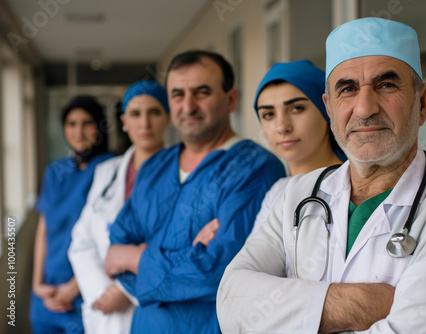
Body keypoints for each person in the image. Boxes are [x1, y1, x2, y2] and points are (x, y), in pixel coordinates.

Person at [217, 17, 426, 333]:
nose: (364, 108)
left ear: (422, 102)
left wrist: (288, 313)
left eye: (386, 84)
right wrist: (364, 304)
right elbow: (231, 303)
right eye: (347, 89)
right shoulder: (295, 196)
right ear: (329, 107)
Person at [104, 50, 286, 333]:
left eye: (202, 93)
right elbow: (115, 250)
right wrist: (188, 255)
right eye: (177, 95)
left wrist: (137, 257)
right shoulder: (155, 166)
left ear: (231, 99)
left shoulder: (254, 167)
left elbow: (222, 270)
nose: (188, 106)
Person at [68, 80, 170, 334]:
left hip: (154, 303)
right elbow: (81, 240)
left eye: (154, 112)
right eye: (135, 114)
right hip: (104, 305)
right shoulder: (106, 172)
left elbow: (178, 245)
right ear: (123, 120)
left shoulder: (183, 172)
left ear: (168, 117)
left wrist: (126, 289)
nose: (144, 123)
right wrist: (102, 291)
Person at [31, 96, 113, 334]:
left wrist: (73, 287)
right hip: (47, 291)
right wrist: (37, 284)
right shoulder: (54, 171)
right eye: (71, 123)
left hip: (86, 288)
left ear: (99, 126)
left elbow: (111, 237)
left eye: (86, 123)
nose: (78, 131)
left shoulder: (111, 168)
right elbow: (43, 230)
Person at [249, 59, 347, 237]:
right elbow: (247, 262)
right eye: (268, 114)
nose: (282, 127)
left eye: (296, 109)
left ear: (327, 110)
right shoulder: (277, 192)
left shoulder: (358, 186)